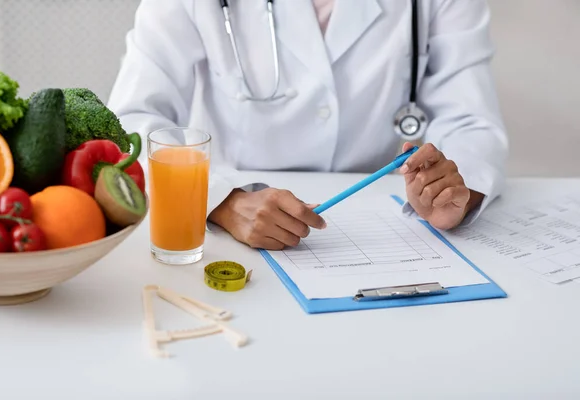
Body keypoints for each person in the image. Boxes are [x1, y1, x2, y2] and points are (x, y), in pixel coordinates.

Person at [108, 0, 508, 250]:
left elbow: (472, 121)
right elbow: (129, 123)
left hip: (387, 229)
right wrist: (224, 200)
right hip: (234, 237)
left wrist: (452, 193)